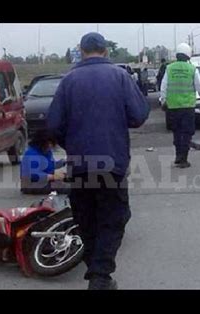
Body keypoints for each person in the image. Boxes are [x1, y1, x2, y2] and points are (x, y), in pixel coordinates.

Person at [47, 32, 149, 290]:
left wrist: (73, 146)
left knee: (86, 218)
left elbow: (54, 125)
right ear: (105, 51)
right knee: (114, 216)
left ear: (81, 51)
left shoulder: (68, 81)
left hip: (80, 164)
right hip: (112, 162)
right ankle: (100, 276)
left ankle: (97, 271)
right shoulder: (120, 77)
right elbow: (138, 116)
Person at [159, 42, 200, 168]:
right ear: (188, 55)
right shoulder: (192, 69)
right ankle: (183, 159)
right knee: (187, 132)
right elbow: (199, 86)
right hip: (187, 106)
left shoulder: (169, 68)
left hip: (173, 106)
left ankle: (177, 156)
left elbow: (164, 86)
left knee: (176, 131)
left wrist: (163, 100)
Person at [20, 130, 68, 195]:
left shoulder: (47, 152)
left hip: (45, 181)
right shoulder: (31, 154)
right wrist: (52, 176)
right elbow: (33, 174)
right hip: (32, 184)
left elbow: (50, 165)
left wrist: (63, 162)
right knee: (64, 187)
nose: (51, 146)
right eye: (49, 144)